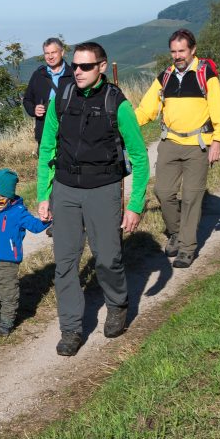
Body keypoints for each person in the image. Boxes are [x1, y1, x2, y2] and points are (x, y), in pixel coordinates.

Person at [36, 41, 149, 356]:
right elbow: (47, 148)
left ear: (102, 66)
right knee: (65, 264)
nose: (78, 71)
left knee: (107, 258)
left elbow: (140, 158)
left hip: (104, 189)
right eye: (75, 66)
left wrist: (135, 205)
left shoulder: (117, 104)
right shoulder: (62, 97)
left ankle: (117, 303)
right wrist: (44, 195)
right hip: (65, 190)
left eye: (86, 66)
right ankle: (71, 329)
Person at [133, 28, 220, 269]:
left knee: (191, 197)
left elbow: (218, 110)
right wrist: (124, 123)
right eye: (173, 51)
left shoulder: (206, 75)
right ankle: (176, 232)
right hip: (170, 143)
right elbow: (146, 110)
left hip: (198, 145)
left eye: (182, 51)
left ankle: (187, 248)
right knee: (163, 192)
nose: (177, 56)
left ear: (193, 50)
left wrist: (218, 140)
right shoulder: (165, 77)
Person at [0, 168, 50, 336]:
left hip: (8, 262)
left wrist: (47, 219)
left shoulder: (18, 212)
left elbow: (35, 226)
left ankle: (6, 322)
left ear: (9, 196)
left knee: (8, 294)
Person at [21, 38, 74, 149]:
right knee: (45, 159)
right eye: (47, 53)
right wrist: (34, 109)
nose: (50, 56)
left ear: (62, 52)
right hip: (44, 132)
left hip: (69, 133)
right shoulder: (38, 75)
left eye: (53, 52)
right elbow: (27, 99)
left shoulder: (73, 75)